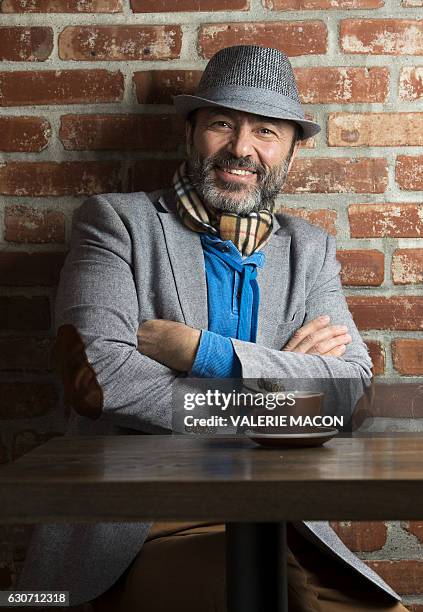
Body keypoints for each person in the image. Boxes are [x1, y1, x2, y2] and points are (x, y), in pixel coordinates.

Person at [17, 45, 409, 612]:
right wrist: (280, 399)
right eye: (223, 123)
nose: (241, 149)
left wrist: (199, 350)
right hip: (147, 519)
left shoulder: (312, 251)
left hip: (285, 519)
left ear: (292, 152)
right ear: (190, 133)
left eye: (266, 132)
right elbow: (98, 382)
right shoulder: (116, 224)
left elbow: (352, 395)